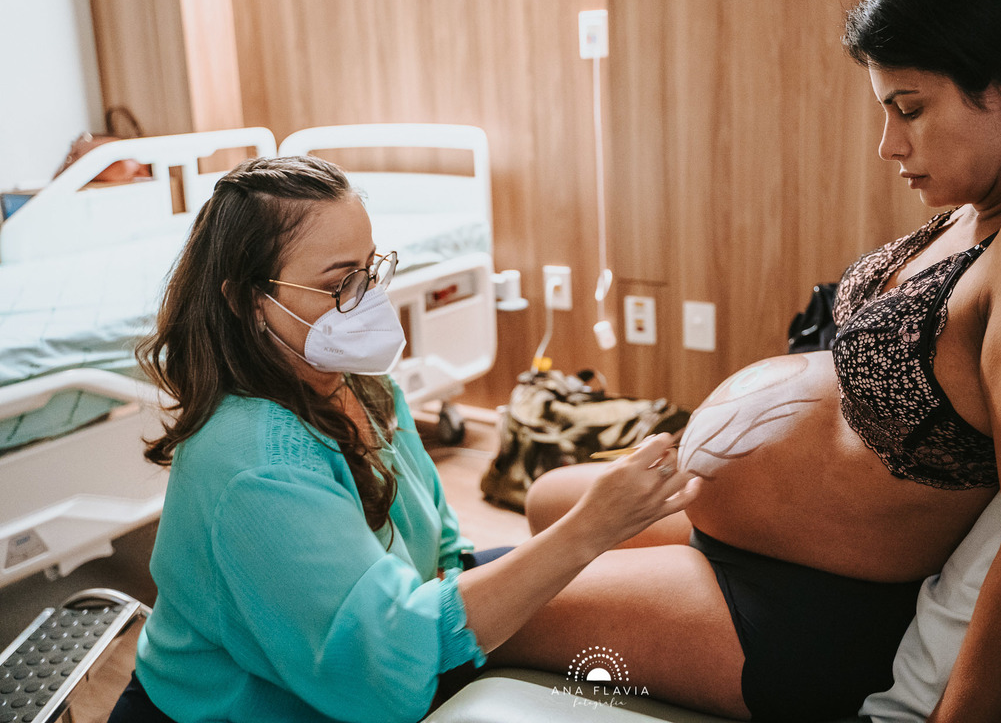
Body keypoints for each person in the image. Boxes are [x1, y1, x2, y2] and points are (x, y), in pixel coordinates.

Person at [496, 0, 1001, 723]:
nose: (891, 144)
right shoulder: (978, 215)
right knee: (545, 501)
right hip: (758, 544)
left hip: (804, 612)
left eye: (909, 109)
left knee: (477, 623)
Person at [107, 156, 702, 723]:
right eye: (340, 283)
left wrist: (510, 569)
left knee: (666, 562)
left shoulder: (358, 385)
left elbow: (436, 536)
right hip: (275, 701)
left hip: (401, 620)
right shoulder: (255, 469)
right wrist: (589, 528)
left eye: (371, 270)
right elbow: (377, 678)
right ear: (244, 300)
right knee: (662, 609)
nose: (367, 301)